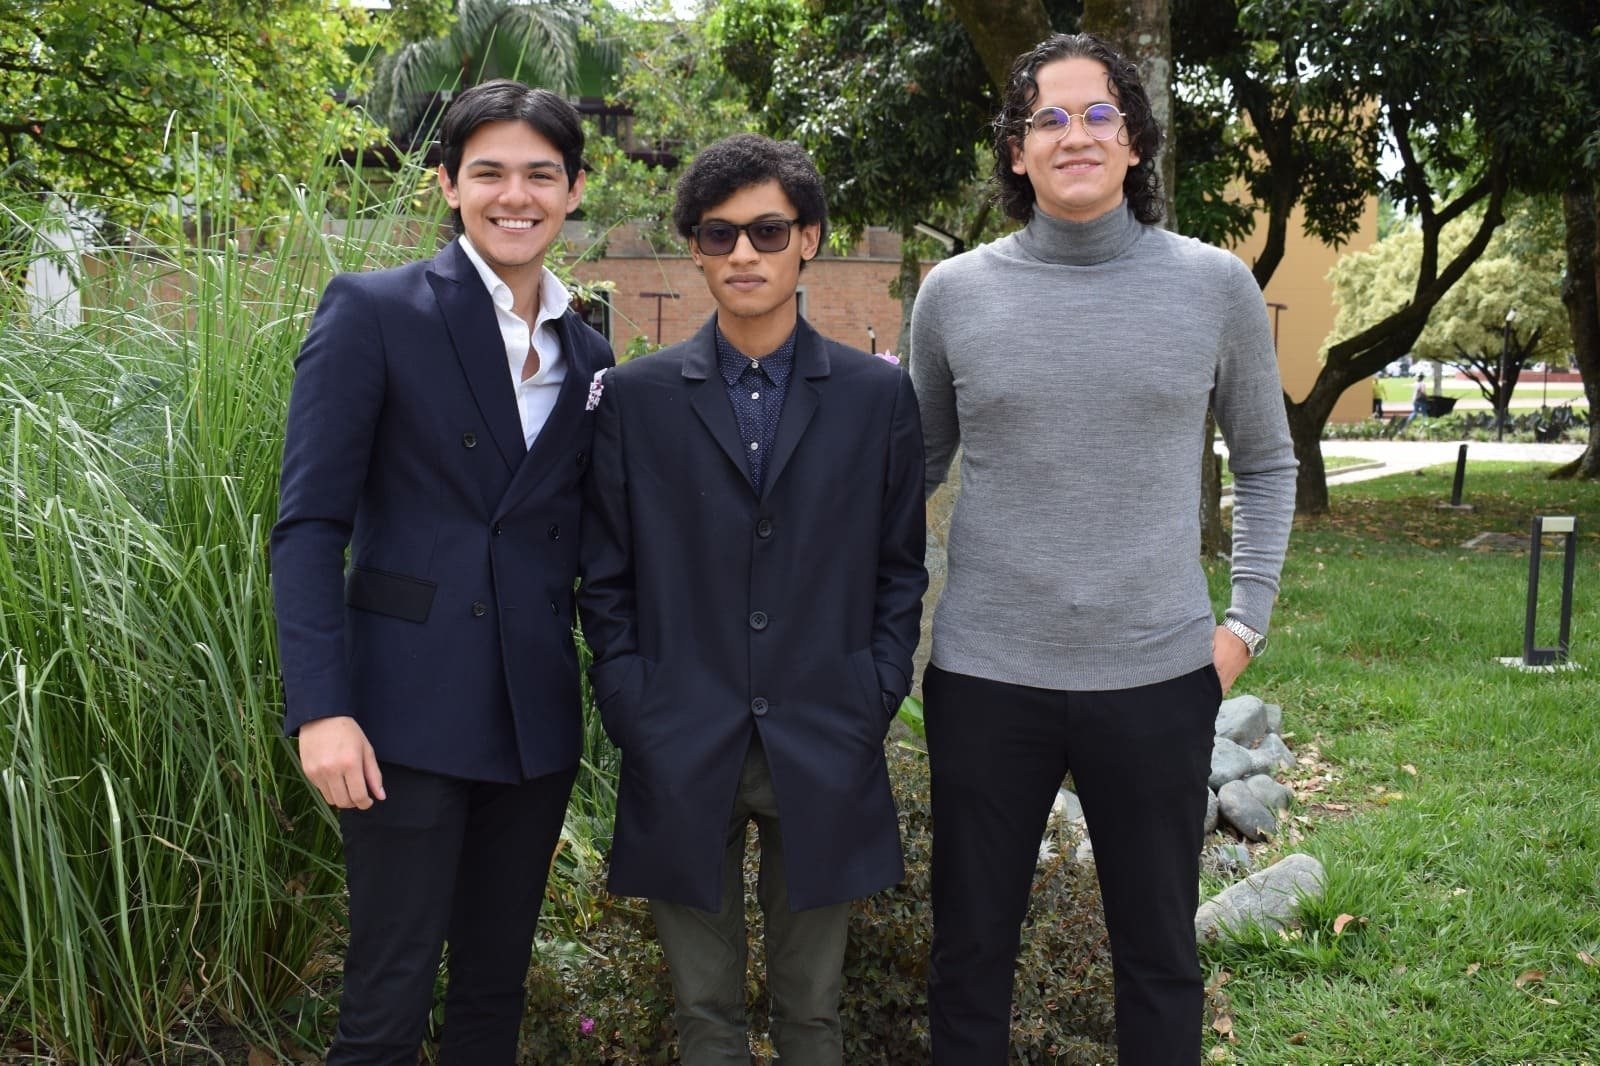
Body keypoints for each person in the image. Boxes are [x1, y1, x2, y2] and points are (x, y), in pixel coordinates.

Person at [908, 33, 1297, 1065]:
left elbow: (1265, 462)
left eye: (1097, 116)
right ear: (1014, 152)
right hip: (985, 677)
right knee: (969, 952)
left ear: (1133, 146)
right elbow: (908, 470)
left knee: (1161, 955)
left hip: (1159, 675)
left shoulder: (1214, 286)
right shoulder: (951, 294)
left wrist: (1243, 624)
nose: (1073, 134)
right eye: (1048, 117)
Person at [271, 79, 613, 1064]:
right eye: (490, 172)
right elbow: (308, 524)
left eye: (540, 174)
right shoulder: (376, 311)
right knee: (388, 989)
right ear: (448, 186)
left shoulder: (589, 351)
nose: (517, 196)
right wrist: (320, 707)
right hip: (397, 716)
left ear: (575, 188)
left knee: (493, 991)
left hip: (532, 722)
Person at [579, 133, 926, 1065]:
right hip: (678, 732)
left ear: (808, 239)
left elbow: (900, 568)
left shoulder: (874, 397)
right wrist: (631, 704)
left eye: (768, 232)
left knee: (814, 1015)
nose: (744, 254)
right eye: (720, 233)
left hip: (826, 729)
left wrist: (874, 692)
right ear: (693, 246)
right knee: (706, 1021)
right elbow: (605, 575)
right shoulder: (636, 399)